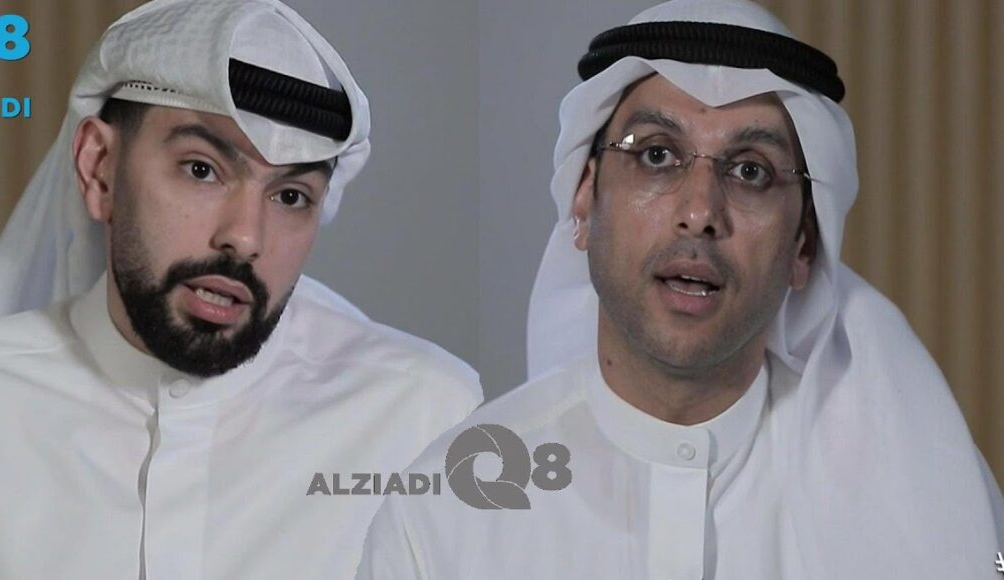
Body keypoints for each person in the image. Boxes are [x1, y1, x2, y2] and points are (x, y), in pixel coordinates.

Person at [356, 1, 1003, 578]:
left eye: (751, 171)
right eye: (657, 155)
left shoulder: (916, 507)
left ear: (803, 246)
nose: (699, 212)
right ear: (583, 200)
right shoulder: (443, 516)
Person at [0, 0, 481, 578]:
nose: (245, 237)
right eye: (201, 170)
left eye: (291, 196)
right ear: (99, 168)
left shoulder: (424, 416)